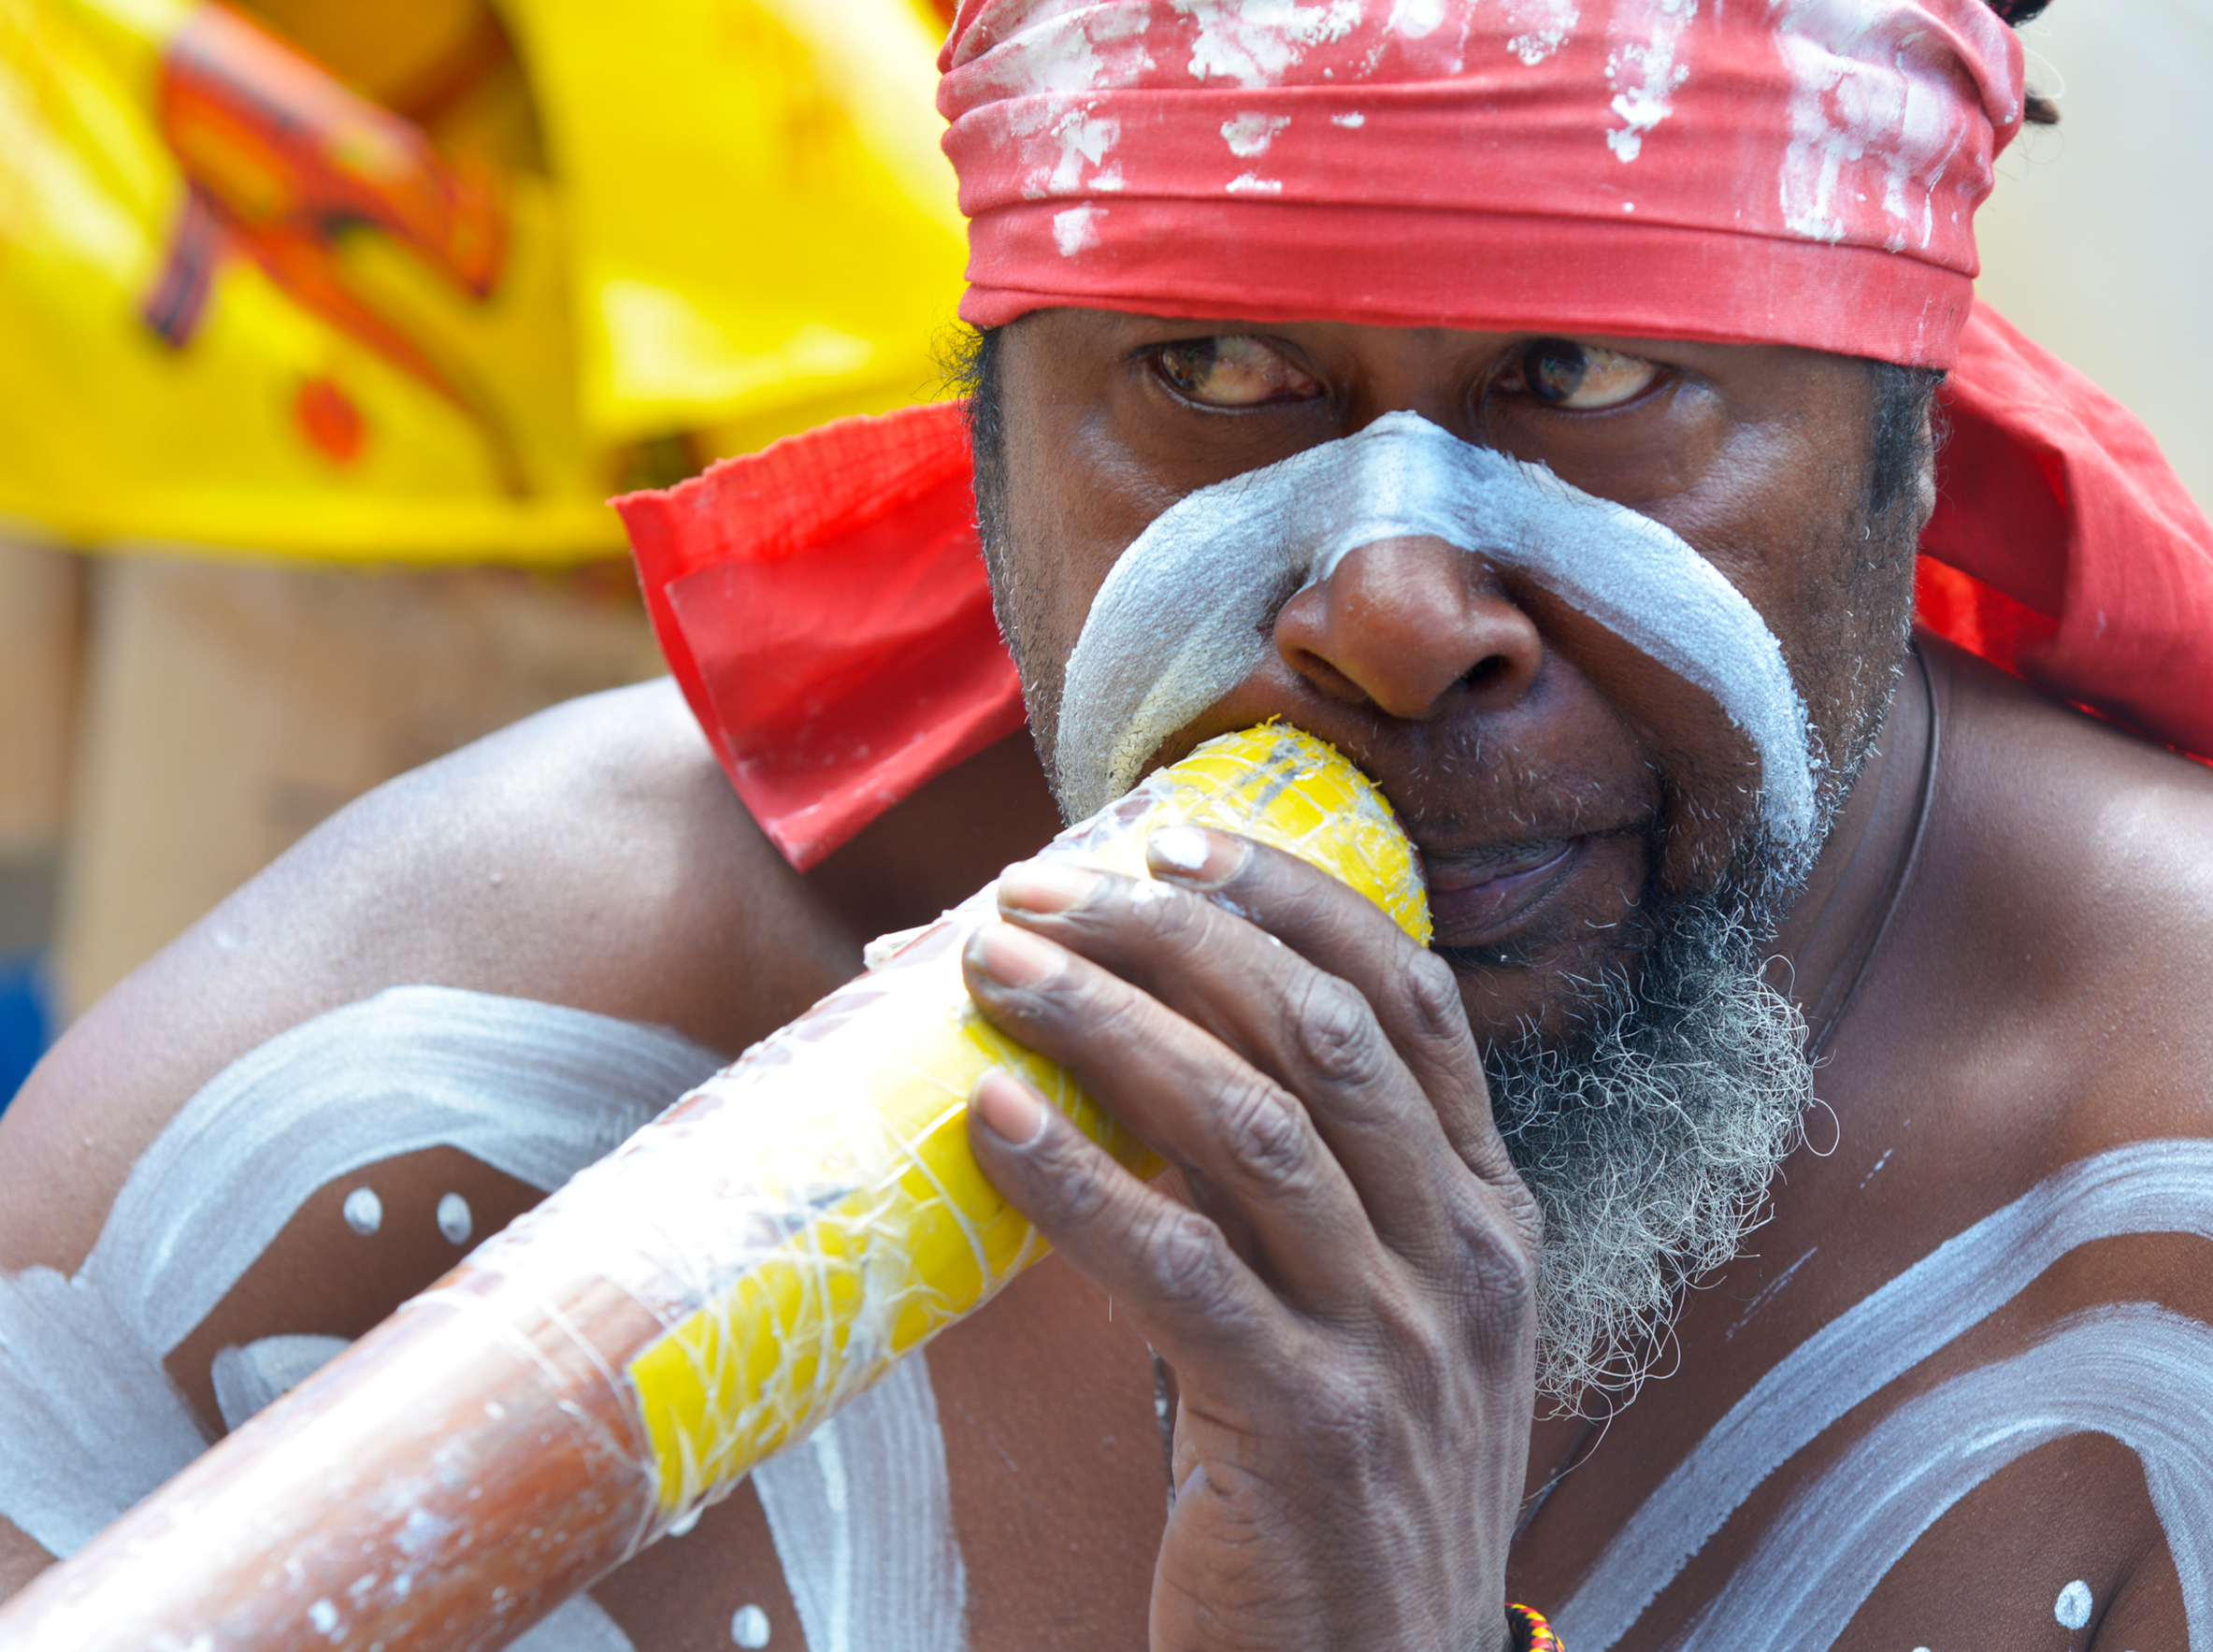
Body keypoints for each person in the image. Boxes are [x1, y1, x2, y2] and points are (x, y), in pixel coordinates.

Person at [5, 1, 2213, 1648]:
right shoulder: (442, 1070)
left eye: (1585, 375)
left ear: (1901, 441)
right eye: (1213, 373)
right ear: (993, 441)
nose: (1389, 612)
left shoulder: (2157, 1152)